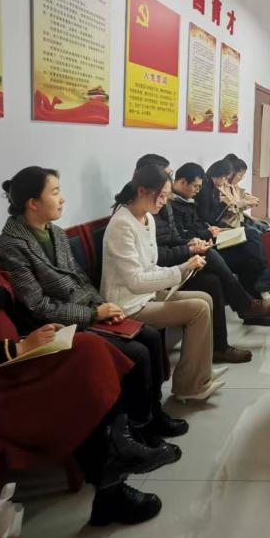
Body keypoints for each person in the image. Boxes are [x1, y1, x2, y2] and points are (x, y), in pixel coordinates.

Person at [0, 177, 164, 525]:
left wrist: (37, 335)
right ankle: (113, 478)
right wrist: (15, 347)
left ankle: (118, 451)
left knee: (89, 349)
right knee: (78, 378)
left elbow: (8, 305)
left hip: (12, 359)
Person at [0, 166, 188, 451]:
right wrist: (93, 314)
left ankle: (152, 415)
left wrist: (101, 305)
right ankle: (137, 430)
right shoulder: (12, 246)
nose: (62, 199)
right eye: (55, 192)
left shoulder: (55, 233)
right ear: (32, 203)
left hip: (87, 310)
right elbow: (37, 306)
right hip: (56, 325)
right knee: (138, 352)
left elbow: (80, 279)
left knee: (148, 337)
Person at [101, 165, 224, 403]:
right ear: (143, 191)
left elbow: (151, 266)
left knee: (205, 299)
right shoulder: (122, 225)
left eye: (167, 196)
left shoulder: (147, 218)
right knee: (198, 309)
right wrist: (181, 269)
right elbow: (135, 281)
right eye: (162, 196)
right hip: (127, 305)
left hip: (147, 294)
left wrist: (185, 267)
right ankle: (189, 386)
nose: (165, 202)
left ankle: (200, 374)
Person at [139, 154, 270, 329]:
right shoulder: (153, 211)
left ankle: (252, 305)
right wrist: (193, 245)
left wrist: (196, 240)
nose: (169, 182)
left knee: (250, 245)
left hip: (191, 248)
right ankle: (249, 303)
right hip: (169, 266)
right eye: (167, 176)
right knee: (224, 260)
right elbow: (157, 254)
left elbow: (177, 237)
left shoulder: (166, 205)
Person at [171, 162, 270, 340]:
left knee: (251, 243)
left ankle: (253, 303)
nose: (198, 190)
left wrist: (208, 228)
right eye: (196, 186)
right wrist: (207, 232)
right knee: (249, 249)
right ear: (182, 182)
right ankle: (254, 298)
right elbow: (181, 236)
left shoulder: (186, 200)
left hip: (206, 241)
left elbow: (198, 223)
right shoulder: (172, 204)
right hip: (200, 249)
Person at [196, 159, 270, 295]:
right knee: (252, 236)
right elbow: (209, 218)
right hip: (214, 235)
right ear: (219, 175)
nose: (225, 182)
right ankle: (266, 273)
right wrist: (225, 205)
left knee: (256, 235)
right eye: (225, 178)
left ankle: (266, 273)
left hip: (217, 230)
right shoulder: (206, 190)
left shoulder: (213, 188)